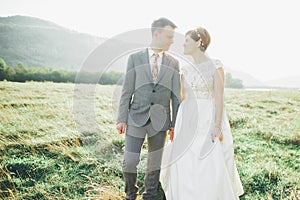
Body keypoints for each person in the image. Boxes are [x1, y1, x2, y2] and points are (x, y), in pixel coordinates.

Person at [160, 26, 244, 199]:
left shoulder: (216, 66)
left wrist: (217, 125)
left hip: (207, 115)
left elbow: (219, 97)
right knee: (184, 158)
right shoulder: (185, 68)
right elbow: (183, 96)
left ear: (199, 42)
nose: (182, 45)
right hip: (187, 116)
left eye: (187, 41)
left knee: (208, 159)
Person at [116, 17, 181, 200]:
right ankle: (130, 194)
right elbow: (126, 90)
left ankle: (150, 195)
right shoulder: (135, 58)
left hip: (161, 121)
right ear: (156, 34)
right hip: (135, 117)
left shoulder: (174, 63)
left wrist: (175, 124)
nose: (172, 41)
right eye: (169, 36)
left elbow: (176, 97)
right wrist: (121, 118)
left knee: (154, 164)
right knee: (129, 162)